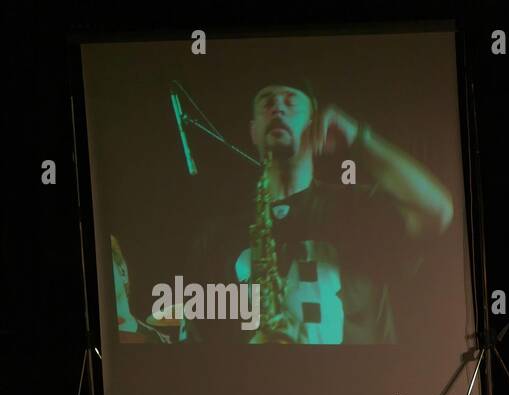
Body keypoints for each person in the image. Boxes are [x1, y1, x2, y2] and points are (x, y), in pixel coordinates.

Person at [187, 79, 454, 345]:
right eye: (267, 102)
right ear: (254, 132)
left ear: (316, 125)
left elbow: (437, 210)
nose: (278, 107)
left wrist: (359, 137)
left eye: (291, 101)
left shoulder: (356, 208)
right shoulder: (218, 234)